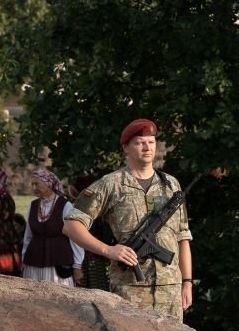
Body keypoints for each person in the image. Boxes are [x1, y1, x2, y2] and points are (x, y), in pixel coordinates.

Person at [63, 118, 194, 320]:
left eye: (151, 142)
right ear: (126, 147)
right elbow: (71, 226)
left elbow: (182, 237)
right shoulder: (112, 184)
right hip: (130, 290)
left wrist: (187, 282)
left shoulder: (171, 185)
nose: (147, 147)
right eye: (139, 142)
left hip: (170, 290)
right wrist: (108, 250)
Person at [21, 169, 84, 286]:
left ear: (48, 183)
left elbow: (75, 238)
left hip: (58, 262)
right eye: (32, 184)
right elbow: (28, 237)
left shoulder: (65, 206)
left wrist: (77, 265)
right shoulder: (33, 205)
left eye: (37, 184)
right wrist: (24, 259)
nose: (34, 188)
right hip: (33, 262)